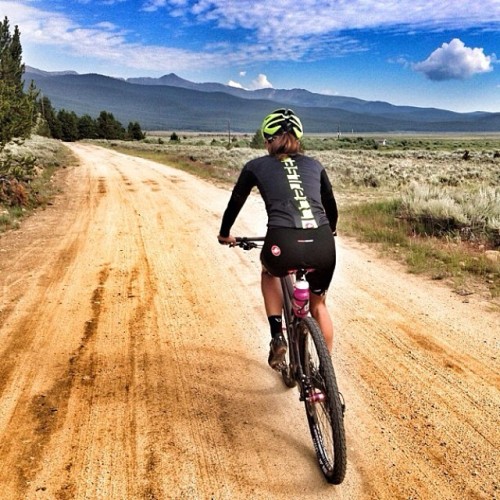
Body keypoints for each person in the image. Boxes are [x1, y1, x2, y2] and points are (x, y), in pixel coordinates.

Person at [218, 108, 338, 369]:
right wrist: (333, 229)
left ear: (268, 140)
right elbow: (330, 205)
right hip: (323, 243)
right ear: (298, 140)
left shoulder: (255, 166)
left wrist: (226, 234)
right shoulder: (315, 165)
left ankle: (276, 336)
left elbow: (235, 202)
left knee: (269, 272)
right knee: (318, 305)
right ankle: (325, 373)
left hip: (281, 244)